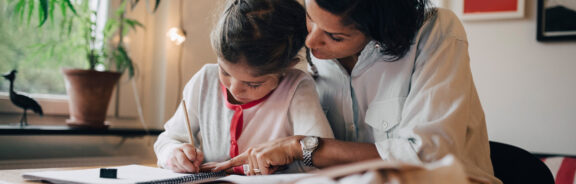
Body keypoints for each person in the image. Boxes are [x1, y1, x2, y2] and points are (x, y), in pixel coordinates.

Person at [212, 0, 502, 183]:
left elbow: (427, 157)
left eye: (335, 36)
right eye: (311, 18)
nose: (311, 42)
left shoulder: (435, 31)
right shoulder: (304, 56)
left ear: (380, 31)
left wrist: (302, 147)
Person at [153, 0, 334, 175]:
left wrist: (281, 165)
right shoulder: (205, 80)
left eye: (253, 84)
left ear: (287, 68)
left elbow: (322, 158)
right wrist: (174, 153)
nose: (235, 89)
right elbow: (168, 139)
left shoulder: (297, 88)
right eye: (224, 72)